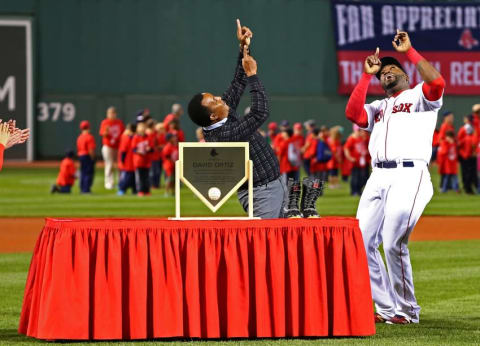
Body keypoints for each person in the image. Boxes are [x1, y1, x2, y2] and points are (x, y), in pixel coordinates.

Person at [345, 30, 445, 324]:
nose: (386, 73)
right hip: (378, 176)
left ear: (405, 74)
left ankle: (407, 310)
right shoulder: (379, 107)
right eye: (382, 72)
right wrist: (366, 76)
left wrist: (409, 52)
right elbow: (354, 115)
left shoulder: (419, 96)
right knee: (361, 242)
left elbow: (437, 82)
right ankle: (387, 308)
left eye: (392, 69)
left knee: (392, 243)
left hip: (409, 174)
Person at [187, 19, 285, 219]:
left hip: (275, 183)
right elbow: (260, 113)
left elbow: (238, 81)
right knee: (267, 247)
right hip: (261, 193)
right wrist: (253, 75)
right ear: (213, 116)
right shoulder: (221, 136)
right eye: (214, 100)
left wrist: (244, 47)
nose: (219, 98)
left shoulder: (221, 114)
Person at [99, 106, 125, 189]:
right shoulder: (105, 122)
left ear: (115, 114)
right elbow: (103, 134)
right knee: (109, 165)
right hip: (108, 146)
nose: (111, 115)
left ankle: (120, 182)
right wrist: (106, 131)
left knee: (119, 165)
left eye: (113, 113)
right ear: (107, 114)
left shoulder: (119, 122)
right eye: (110, 113)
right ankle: (109, 183)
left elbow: (123, 134)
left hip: (118, 146)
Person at [132, 122, 152, 196]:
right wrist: (140, 151)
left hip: (147, 161)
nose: (142, 128)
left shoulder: (148, 137)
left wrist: (149, 149)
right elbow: (133, 149)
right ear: (137, 129)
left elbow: (152, 149)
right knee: (139, 177)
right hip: (138, 161)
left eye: (143, 127)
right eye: (140, 127)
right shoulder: (136, 137)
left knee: (146, 177)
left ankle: (147, 190)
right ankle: (140, 190)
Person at [77, 121, 96, 193]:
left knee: (83, 173)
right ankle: (86, 189)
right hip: (87, 156)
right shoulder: (89, 137)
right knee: (88, 173)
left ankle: (82, 189)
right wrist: (93, 158)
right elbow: (91, 150)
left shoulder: (79, 137)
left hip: (81, 156)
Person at [117, 124, 137, 195]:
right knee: (128, 177)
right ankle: (123, 189)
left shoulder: (127, 138)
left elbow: (123, 151)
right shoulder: (129, 137)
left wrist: (122, 160)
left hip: (129, 161)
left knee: (129, 177)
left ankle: (124, 189)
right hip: (131, 161)